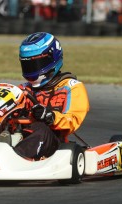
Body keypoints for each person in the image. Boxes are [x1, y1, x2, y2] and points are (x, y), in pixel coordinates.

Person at [13, 32, 90, 161]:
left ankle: (14, 159)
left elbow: (73, 120)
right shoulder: (23, 89)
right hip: (22, 135)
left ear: (51, 59)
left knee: (41, 128)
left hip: (54, 140)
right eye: (27, 66)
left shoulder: (71, 87)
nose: (31, 70)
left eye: (35, 65)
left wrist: (50, 116)